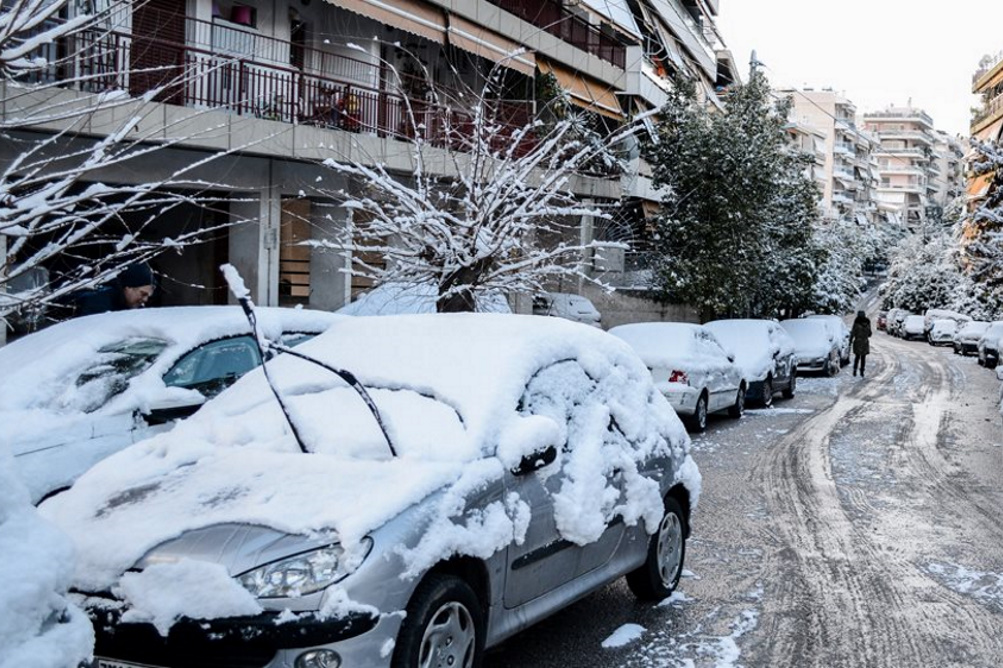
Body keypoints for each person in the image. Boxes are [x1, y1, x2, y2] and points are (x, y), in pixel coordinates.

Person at [72, 262, 156, 317]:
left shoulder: (127, 305)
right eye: (143, 294)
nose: (145, 299)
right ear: (128, 288)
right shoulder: (99, 303)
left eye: (148, 296)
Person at [848, 310, 872, 377]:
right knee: (863, 358)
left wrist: (850, 341)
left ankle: (855, 370)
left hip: (858, 342)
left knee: (857, 357)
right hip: (865, 342)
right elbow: (870, 333)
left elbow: (853, 332)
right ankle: (862, 371)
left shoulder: (856, 322)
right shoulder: (867, 322)